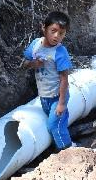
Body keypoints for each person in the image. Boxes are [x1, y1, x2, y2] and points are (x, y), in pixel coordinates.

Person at [23, 11, 75, 150]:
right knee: (58, 123)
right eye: (53, 31)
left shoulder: (60, 52)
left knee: (53, 125)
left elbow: (64, 79)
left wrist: (62, 103)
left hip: (57, 96)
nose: (57, 36)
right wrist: (34, 64)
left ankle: (68, 151)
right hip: (44, 96)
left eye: (62, 33)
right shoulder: (35, 44)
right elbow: (24, 63)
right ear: (44, 28)